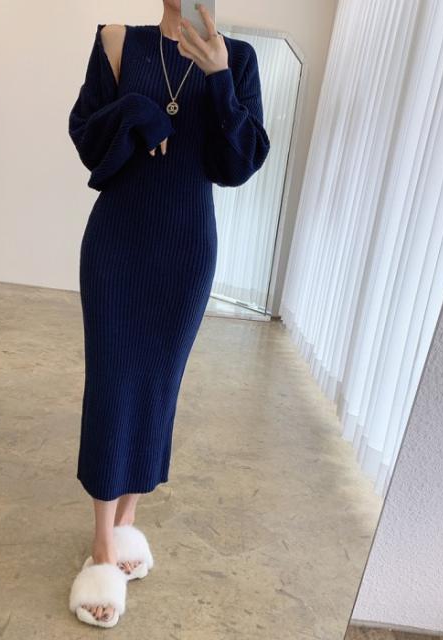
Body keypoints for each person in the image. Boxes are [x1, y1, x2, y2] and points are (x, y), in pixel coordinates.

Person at [67, 0, 270, 627]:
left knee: (158, 386)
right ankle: (102, 547)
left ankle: (127, 521)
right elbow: (86, 137)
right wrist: (138, 110)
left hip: (186, 249)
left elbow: (238, 163)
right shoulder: (116, 42)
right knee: (112, 385)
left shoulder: (239, 59)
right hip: (118, 243)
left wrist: (218, 78)